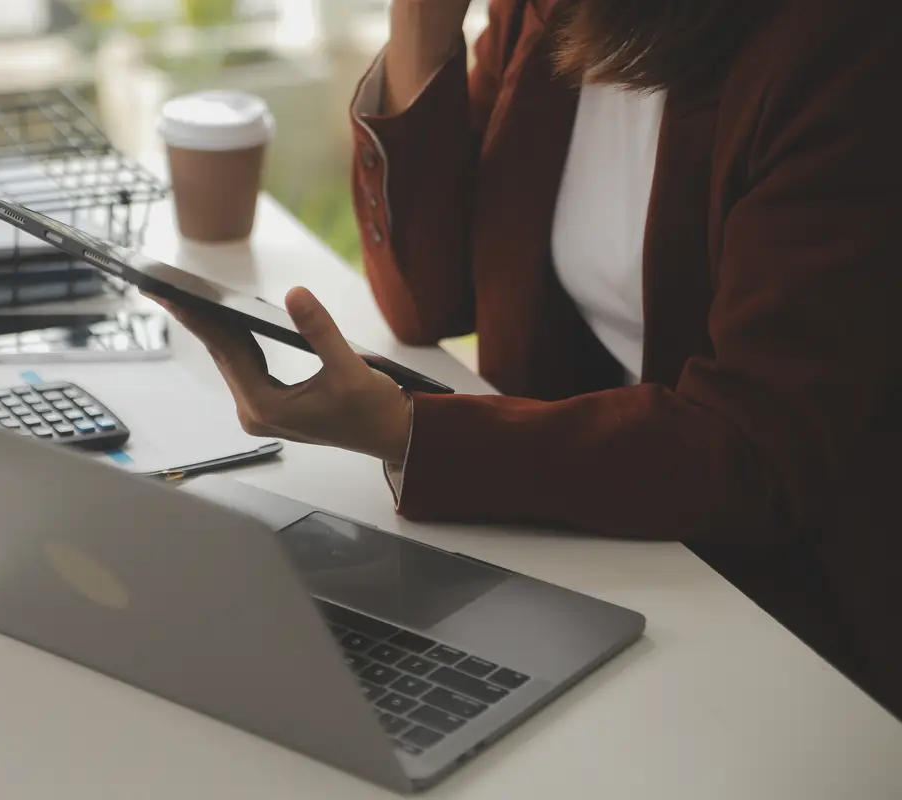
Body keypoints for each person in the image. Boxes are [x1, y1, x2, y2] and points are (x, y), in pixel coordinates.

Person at [155, 0, 902, 718]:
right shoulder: (552, 10)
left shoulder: (841, 41)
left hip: (791, 611)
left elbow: (754, 451)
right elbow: (428, 298)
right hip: (604, 544)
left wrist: (412, 432)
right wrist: (421, 20)